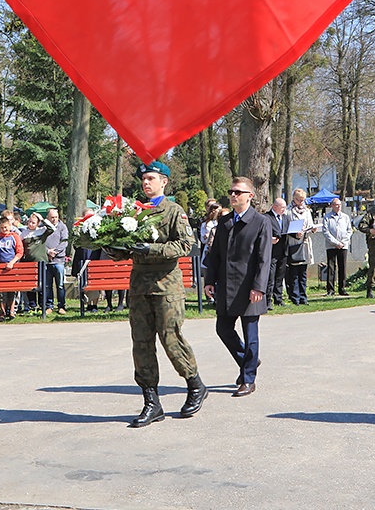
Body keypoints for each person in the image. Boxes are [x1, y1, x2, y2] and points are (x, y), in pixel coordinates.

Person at [106, 161, 206, 427]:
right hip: (140, 286)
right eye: (144, 179)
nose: (146, 183)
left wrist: (151, 249)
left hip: (166, 286)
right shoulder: (135, 212)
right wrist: (113, 247)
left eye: (151, 178)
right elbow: (127, 249)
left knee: (171, 338)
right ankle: (152, 402)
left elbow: (186, 244)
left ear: (164, 182)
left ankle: (195, 384)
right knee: (141, 343)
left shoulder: (173, 211)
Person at [205, 177, 272, 397]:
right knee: (223, 329)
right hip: (226, 286)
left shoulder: (261, 222)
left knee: (250, 333)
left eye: (239, 192)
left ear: (250, 196)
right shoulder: (224, 223)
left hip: (249, 287)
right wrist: (208, 281)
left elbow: (264, 259)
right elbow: (214, 256)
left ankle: (248, 378)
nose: (234, 195)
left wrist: (259, 287)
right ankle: (248, 360)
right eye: (231, 191)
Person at [0, 215, 25, 319]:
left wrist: (12, 262)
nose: (4, 230)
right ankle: (2, 311)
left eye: (6, 227)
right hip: (0, 267)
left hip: (12, 266)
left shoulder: (14, 236)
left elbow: (19, 251)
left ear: (9, 226)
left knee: (12, 290)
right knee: (1, 291)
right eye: (2, 228)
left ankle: (12, 310)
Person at [285, 188, 315, 305]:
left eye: (303, 200)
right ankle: (295, 297)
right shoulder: (288, 211)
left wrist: (311, 229)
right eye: (299, 200)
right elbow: (286, 228)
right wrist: (295, 233)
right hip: (294, 243)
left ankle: (303, 296)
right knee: (294, 272)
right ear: (294, 199)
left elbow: (310, 223)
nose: (301, 202)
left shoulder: (307, 211)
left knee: (303, 272)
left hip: (305, 242)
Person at [20, 212, 54, 314]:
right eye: (29, 222)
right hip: (28, 263)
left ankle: (42, 305)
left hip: (41, 263)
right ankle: (32, 305)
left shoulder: (42, 231)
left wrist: (42, 219)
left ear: (38, 223)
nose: (30, 224)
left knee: (42, 285)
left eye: (33, 222)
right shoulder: (24, 233)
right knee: (31, 286)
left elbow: (52, 228)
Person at [322, 197, 352, 296]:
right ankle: (330, 289)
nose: (338, 206)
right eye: (336, 205)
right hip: (331, 246)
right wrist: (335, 243)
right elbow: (326, 232)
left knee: (342, 267)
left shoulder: (345, 217)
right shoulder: (327, 217)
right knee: (331, 267)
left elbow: (349, 231)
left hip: (343, 246)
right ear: (332, 206)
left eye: (339, 205)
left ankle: (342, 288)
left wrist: (342, 242)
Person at [43, 207, 70, 315]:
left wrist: (55, 252)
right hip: (47, 260)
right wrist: (48, 251)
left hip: (59, 261)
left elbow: (64, 242)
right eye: (52, 217)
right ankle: (49, 306)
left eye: (56, 217)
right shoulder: (43, 228)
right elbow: (40, 242)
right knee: (47, 285)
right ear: (47, 217)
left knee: (60, 285)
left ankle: (61, 306)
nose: (54, 219)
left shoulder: (62, 227)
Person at [264, 198, 289, 308]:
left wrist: (297, 234)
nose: (284, 210)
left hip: (283, 251)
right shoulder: (266, 217)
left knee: (280, 276)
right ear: (275, 207)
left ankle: (278, 299)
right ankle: (268, 300)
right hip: (272, 252)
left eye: (285, 207)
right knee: (270, 277)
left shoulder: (285, 217)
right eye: (282, 207)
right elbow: (263, 234)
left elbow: (288, 231)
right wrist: (270, 239)